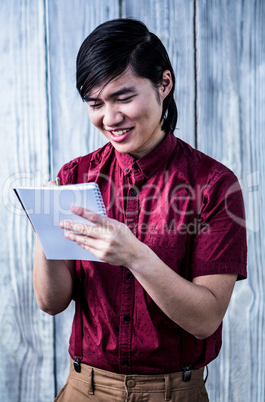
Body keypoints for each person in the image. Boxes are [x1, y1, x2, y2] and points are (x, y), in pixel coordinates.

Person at [33, 19, 247, 402]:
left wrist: (134, 256)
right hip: (86, 388)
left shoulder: (214, 185)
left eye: (123, 98)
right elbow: (52, 303)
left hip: (175, 393)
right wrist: (44, 228)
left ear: (164, 84)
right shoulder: (75, 177)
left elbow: (205, 320)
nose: (109, 118)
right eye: (96, 103)